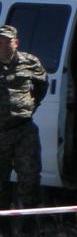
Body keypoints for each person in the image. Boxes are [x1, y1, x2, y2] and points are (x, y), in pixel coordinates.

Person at [0, 24, 48, 211]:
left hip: (23, 129)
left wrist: (29, 106)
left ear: (16, 43)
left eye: (8, 42)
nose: (3, 46)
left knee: (30, 178)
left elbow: (41, 86)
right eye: (0, 42)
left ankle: (26, 230)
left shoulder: (30, 62)